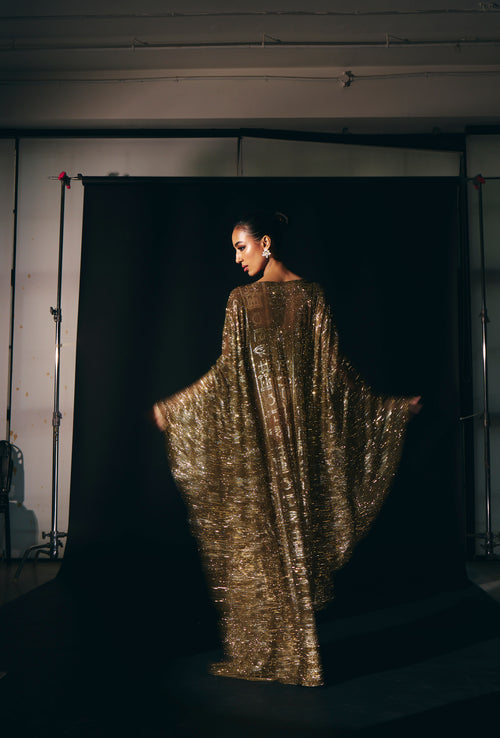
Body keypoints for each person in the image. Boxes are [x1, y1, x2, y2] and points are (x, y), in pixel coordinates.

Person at [153, 212, 421, 687]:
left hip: (299, 444)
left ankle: (301, 657)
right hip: (256, 442)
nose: (237, 258)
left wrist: (387, 410)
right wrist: (180, 406)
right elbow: (228, 372)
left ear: (266, 242)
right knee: (264, 543)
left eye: (241, 247)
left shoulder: (311, 297)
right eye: (234, 249)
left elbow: (334, 373)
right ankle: (288, 654)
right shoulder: (241, 301)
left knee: (292, 538)